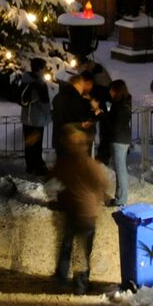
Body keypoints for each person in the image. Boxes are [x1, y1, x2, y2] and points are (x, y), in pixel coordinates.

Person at [50, 124, 110, 293]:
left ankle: (61, 277)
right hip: (87, 212)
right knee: (83, 250)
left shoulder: (64, 163)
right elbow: (102, 183)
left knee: (67, 244)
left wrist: (57, 197)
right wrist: (100, 198)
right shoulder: (89, 164)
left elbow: (51, 180)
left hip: (71, 210)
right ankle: (81, 283)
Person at [102, 79, 134, 207]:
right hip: (121, 139)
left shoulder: (122, 107)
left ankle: (121, 199)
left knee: (120, 169)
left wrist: (102, 115)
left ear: (117, 90)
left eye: (111, 89)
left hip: (119, 140)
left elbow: (115, 125)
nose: (110, 92)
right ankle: (120, 197)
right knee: (120, 169)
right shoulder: (122, 103)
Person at [19, 57, 53, 176]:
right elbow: (44, 103)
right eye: (44, 67)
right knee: (37, 146)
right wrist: (49, 113)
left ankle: (30, 166)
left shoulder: (25, 80)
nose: (45, 70)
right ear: (40, 69)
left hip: (26, 118)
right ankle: (38, 167)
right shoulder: (40, 83)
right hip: (37, 119)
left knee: (29, 144)